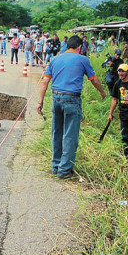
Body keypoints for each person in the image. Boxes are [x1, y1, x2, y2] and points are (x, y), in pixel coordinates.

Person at [36, 35, 107, 178]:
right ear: (79, 47)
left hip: (56, 97)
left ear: (67, 45)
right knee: (70, 135)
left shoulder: (55, 59)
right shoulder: (83, 60)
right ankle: (64, 170)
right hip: (72, 99)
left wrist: (40, 102)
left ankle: (56, 166)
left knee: (56, 132)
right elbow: (94, 79)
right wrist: (102, 92)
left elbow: (45, 82)